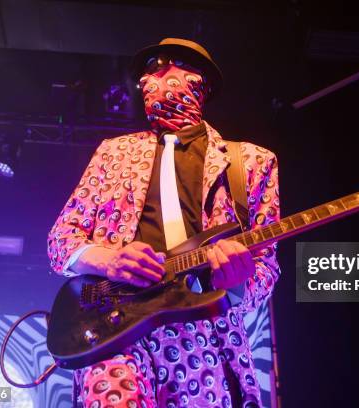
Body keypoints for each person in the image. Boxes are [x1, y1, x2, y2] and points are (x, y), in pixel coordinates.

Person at [47, 38, 281, 408]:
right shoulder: (114, 152)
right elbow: (61, 240)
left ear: (199, 81)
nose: (153, 74)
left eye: (170, 64)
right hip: (117, 327)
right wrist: (108, 259)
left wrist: (237, 282)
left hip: (207, 335)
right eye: (149, 68)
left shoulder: (251, 161)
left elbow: (265, 267)